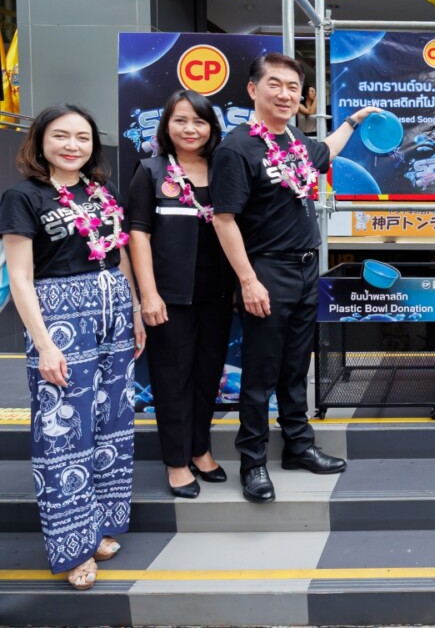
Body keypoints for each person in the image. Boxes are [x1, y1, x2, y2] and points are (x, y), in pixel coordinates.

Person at [210, 52, 381, 503]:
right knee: (260, 372)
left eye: (293, 87)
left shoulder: (295, 141)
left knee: (295, 368)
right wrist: (248, 280)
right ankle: (252, 462)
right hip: (267, 269)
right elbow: (224, 220)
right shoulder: (236, 148)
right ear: (253, 89)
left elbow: (326, 150)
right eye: (275, 84)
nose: (285, 94)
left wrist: (356, 120)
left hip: (307, 268)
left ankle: (298, 447)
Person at [0, 105, 145, 589]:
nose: (72, 145)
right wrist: (44, 345)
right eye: (61, 136)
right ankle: (72, 548)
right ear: (40, 141)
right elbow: (21, 278)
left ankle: (98, 525)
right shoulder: (23, 196)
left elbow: (119, 255)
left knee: (112, 424)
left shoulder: (102, 191)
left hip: (113, 312)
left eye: (82, 137)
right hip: (60, 319)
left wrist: (134, 310)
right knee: (63, 432)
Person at [128, 90, 234, 498]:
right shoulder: (150, 171)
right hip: (169, 297)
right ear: (166, 126)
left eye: (199, 121)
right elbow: (138, 235)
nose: (190, 129)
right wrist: (148, 295)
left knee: (208, 375)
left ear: (211, 127)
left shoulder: (224, 170)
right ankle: (176, 461)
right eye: (180, 120)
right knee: (171, 379)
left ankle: (200, 449)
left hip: (217, 294)